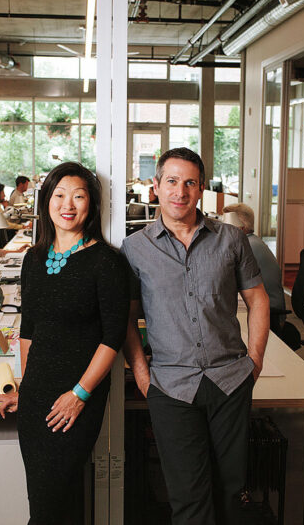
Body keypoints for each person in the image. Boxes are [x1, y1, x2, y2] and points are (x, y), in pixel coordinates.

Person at [121, 148, 270, 525]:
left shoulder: (231, 239)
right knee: (187, 497)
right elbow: (127, 319)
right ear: (155, 186)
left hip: (230, 381)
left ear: (202, 189)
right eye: (171, 181)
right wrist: (142, 374)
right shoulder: (135, 248)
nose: (180, 191)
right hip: (171, 387)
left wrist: (255, 361)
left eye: (190, 182)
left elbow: (258, 299)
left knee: (231, 491)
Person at [0, 162, 130, 524]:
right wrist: (24, 387)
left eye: (78, 196)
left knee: (48, 507)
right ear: (46, 201)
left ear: (91, 204)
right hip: (36, 399)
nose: (68, 204)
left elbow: (112, 337)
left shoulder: (106, 262)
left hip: (76, 397)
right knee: (48, 501)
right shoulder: (33, 258)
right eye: (59, 195)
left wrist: (79, 395)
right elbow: (29, 329)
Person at [222, 203, 301, 349]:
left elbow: (225, 281)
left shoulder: (247, 246)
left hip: (270, 315)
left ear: (240, 227)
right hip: (267, 309)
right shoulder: (253, 241)